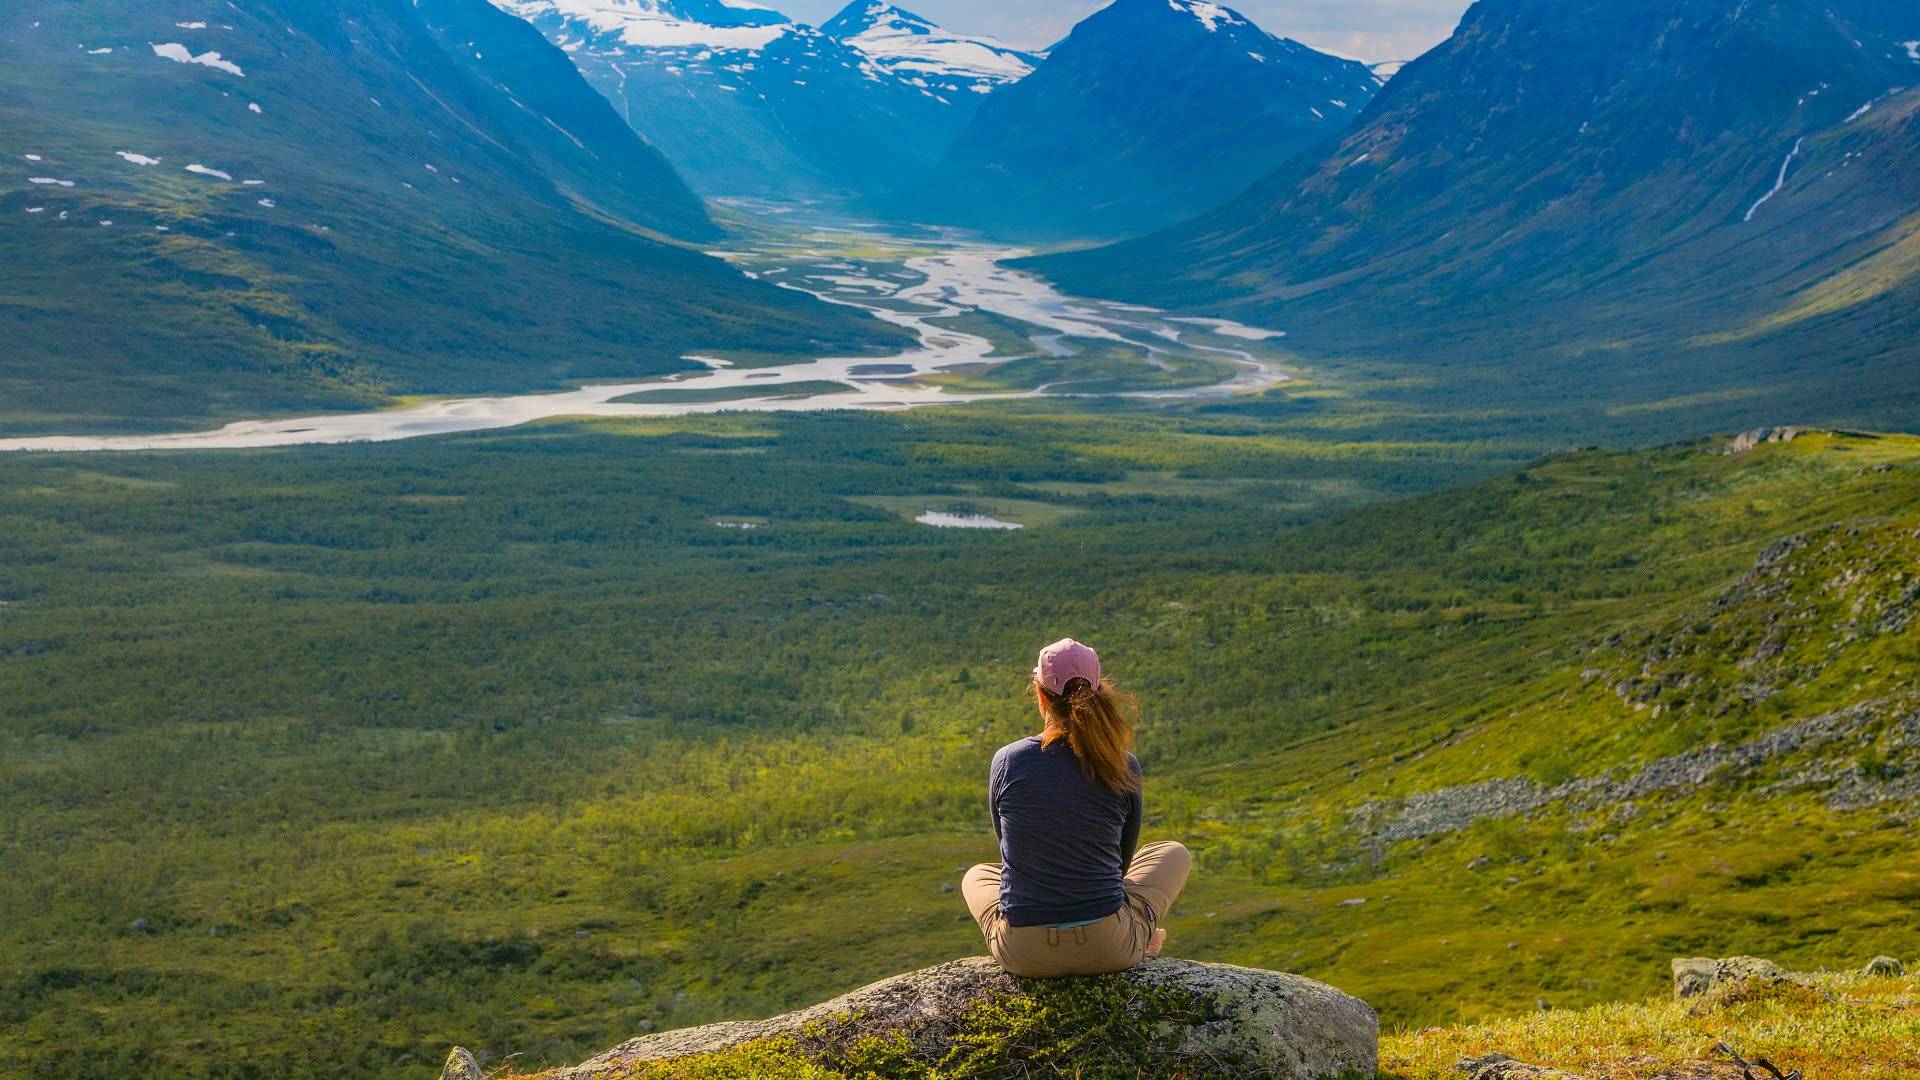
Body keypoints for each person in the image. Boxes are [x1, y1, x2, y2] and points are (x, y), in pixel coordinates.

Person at [961, 638, 1191, 977]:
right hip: (1109, 947)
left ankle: (1129, 932)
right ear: (1098, 692)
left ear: (1040, 696)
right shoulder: (1121, 763)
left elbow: (1010, 850)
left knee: (977, 875)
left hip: (1023, 954)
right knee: (1174, 854)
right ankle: (1138, 935)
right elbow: (1122, 861)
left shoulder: (1007, 760)